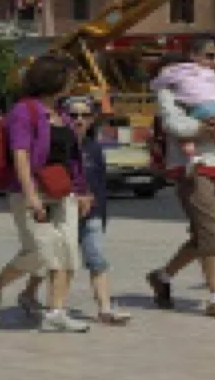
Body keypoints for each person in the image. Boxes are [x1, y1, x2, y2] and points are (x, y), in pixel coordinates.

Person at [0, 53, 94, 332]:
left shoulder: (61, 114)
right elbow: (21, 155)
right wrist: (31, 195)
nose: (74, 83)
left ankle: (56, 312)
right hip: (34, 190)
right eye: (71, 77)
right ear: (54, 79)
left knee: (67, 252)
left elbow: (72, 158)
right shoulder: (24, 111)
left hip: (63, 192)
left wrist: (81, 191)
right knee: (41, 251)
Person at [145, 37, 215, 320]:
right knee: (213, 233)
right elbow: (174, 124)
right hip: (193, 167)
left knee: (203, 236)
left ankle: (162, 276)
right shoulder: (172, 86)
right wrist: (209, 128)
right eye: (209, 56)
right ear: (193, 55)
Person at [16, 97, 132, 326]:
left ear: (92, 119)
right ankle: (30, 295)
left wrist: (100, 214)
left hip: (92, 213)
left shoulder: (94, 148)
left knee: (96, 257)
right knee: (51, 259)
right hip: (60, 209)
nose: (79, 120)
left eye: (85, 115)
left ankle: (105, 309)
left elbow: (99, 184)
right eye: (74, 114)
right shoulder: (55, 144)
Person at [150, 47, 215, 183]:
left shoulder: (170, 77)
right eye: (210, 56)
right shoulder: (204, 73)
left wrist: (204, 127)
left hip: (200, 110)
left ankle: (193, 157)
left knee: (185, 137)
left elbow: (177, 126)